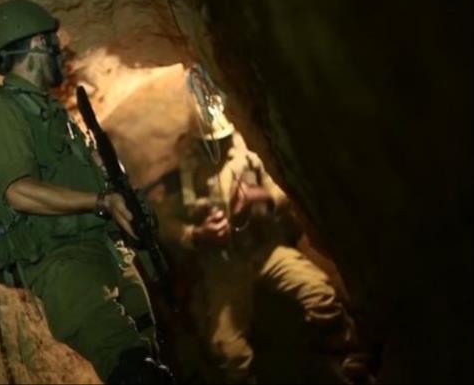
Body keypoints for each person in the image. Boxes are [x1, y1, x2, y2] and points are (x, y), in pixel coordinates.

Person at [0, 0, 173, 384]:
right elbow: (18, 191)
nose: (60, 51)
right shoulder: (2, 110)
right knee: (133, 369)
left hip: (108, 255)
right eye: (54, 43)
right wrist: (101, 202)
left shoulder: (53, 114)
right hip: (64, 264)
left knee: (153, 359)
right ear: (37, 44)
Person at [152, 109, 360, 384]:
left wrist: (260, 197)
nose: (217, 146)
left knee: (321, 296)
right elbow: (164, 221)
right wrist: (197, 233)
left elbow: (284, 188)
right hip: (224, 267)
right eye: (209, 141)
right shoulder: (186, 172)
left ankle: (351, 361)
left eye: (221, 139)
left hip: (265, 250)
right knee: (228, 348)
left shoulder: (248, 153)